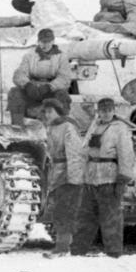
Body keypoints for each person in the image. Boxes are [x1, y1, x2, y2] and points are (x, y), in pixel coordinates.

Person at [71, 98, 135, 258]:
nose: (105, 113)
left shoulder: (120, 128)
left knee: (110, 217)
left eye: (108, 110)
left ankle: (113, 253)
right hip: (91, 177)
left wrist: (123, 178)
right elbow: (84, 149)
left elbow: (126, 154)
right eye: (102, 110)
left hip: (109, 177)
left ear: (113, 111)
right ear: (98, 111)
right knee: (85, 216)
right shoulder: (95, 125)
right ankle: (78, 250)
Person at [41, 98, 85, 257]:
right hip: (58, 174)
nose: (47, 114)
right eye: (45, 111)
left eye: (50, 111)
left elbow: (74, 154)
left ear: (58, 111)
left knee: (65, 211)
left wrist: (74, 179)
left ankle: (63, 247)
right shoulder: (52, 127)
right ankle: (63, 246)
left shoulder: (67, 127)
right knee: (60, 211)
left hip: (68, 175)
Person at [7, 28, 72, 127]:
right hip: (33, 90)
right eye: (42, 42)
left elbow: (65, 78)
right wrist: (27, 85)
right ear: (38, 41)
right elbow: (19, 74)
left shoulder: (61, 57)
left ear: (53, 41)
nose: (45, 45)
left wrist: (50, 86)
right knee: (15, 92)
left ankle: (60, 127)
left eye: (48, 42)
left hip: (51, 91)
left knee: (62, 95)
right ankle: (17, 127)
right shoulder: (29, 56)